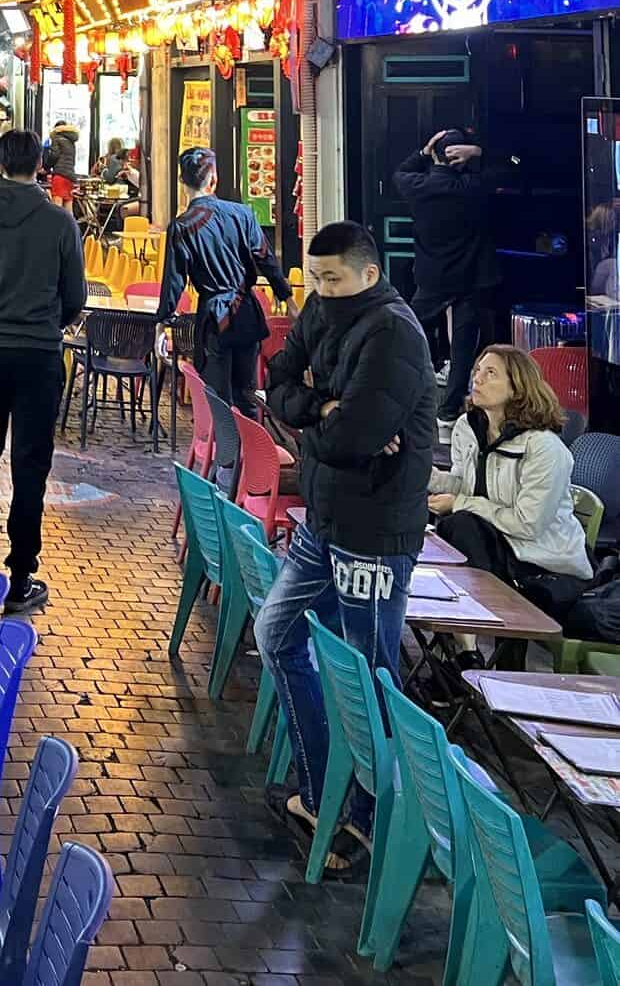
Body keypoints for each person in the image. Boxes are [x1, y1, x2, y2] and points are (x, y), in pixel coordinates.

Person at [258, 220, 435, 873]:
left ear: (369, 272)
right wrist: (323, 407)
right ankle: (319, 789)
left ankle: (360, 820)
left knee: (370, 674)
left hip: (374, 536)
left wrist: (327, 419)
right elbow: (276, 373)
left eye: (332, 279)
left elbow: (351, 438)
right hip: (324, 518)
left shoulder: (394, 335)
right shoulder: (324, 308)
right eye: (315, 279)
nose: (321, 291)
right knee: (276, 633)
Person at [0, 129, 84, 615]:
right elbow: (75, 298)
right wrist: (46, 321)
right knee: (31, 461)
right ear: (39, 166)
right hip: (39, 353)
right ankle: (21, 572)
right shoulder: (58, 222)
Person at [428, 344, 592, 653]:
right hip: (494, 547)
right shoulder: (469, 427)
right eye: (477, 371)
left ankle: (470, 651)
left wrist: (460, 503)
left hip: (543, 564)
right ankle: (464, 652)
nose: (477, 379)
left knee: (460, 524)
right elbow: (466, 484)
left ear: (517, 387)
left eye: (491, 373)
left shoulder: (545, 448)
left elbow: (527, 524)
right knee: (454, 526)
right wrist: (425, 475)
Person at [157, 147, 294, 418]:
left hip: (213, 320)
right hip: (247, 313)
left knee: (218, 398)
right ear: (214, 179)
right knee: (246, 395)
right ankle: (252, 455)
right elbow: (266, 259)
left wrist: (163, 323)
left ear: (182, 182)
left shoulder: (182, 227)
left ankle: (226, 457)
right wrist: (288, 299)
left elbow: (174, 282)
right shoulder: (242, 215)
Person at [394, 128, 504, 442]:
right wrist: (479, 152)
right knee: (463, 347)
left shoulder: (418, 186)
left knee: (407, 329)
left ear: (435, 155)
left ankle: (409, 392)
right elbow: (513, 166)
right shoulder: (473, 186)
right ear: (461, 158)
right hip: (471, 278)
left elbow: (400, 172)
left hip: (432, 277)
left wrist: (423, 151)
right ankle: (448, 411)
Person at [45, 119, 80, 211]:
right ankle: (70, 226)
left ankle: (57, 226)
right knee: (68, 209)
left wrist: (46, 167)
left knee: (57, 209)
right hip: (70, 176)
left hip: (60, 176)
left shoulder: (56, 137)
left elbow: (54, 155)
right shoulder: (71, 141)